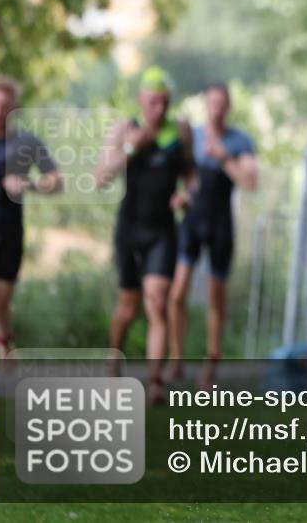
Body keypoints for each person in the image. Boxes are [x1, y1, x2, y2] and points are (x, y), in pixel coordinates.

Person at [94, 67, 194, 404]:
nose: (159, 110)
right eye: (152, 102)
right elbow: (100, 177)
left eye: (164, 103)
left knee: (158, 299)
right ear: (141, 100)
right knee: (128, 308)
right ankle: (114, 357)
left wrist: (187, 195)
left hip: (163, 230)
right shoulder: (126, 129)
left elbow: (191, 175)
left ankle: (154, 383)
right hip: (130, 229)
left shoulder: (180, 133)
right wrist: (130, 149)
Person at [167, 82, 257, 388]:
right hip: (192, 221)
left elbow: (250, 181)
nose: (216, 109)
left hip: (220, 224)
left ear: (228, 107)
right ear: (205, 105)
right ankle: (176, 359)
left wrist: (224, 158)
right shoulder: (192, 136)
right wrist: (180, 195)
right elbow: (182, 175)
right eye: (212, 103)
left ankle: (210, 365)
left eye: (222, 104)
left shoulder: (239, 141)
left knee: (215, 298)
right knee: (177, 293)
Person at [0, 76, 63, 357]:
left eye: (5, 106)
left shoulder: (26, 143)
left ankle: (6, 343)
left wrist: (31, 185)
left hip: (8, 233)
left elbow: (56, 181)